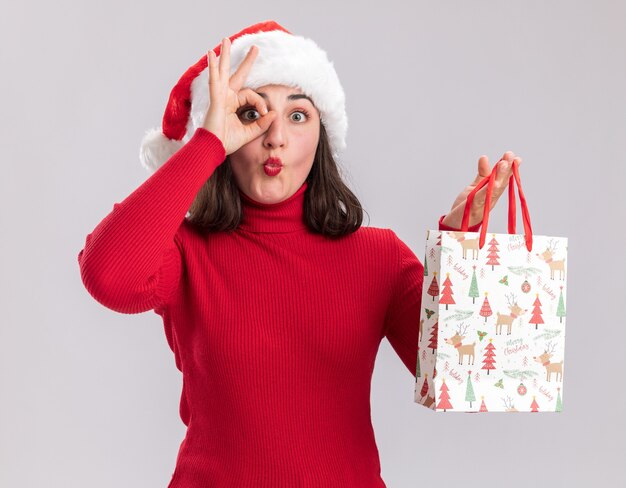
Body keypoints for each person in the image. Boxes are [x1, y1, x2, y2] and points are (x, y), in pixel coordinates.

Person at [77, 20, 522, 488]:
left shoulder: (379, 257)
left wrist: (463, 239)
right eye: (252, 115)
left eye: (297, 115)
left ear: (321, 135)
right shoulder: (186, 252)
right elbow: (108, 276)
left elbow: (461, 375)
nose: (275, 138)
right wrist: (206, 146)